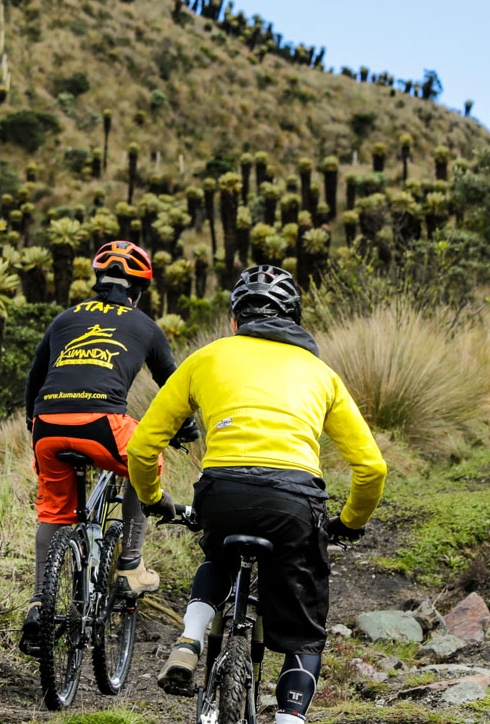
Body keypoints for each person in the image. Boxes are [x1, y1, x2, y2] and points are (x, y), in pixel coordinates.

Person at [128, 265, 388, 724]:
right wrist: (349, 522)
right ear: (294, 319)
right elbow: (371, 468)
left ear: (235, 320)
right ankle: (289, 719)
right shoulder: (321, 373)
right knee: (303, 636)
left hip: (222, 493)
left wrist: (153, 499)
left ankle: (189, 638)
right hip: (294, 502)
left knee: (218, 553)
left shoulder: (205, 358)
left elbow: (144, 445)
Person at [16, 240, 197, 656]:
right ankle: (131, 564)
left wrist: (34, 426)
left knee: (54, 513)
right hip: (102, 424)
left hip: (47, 425)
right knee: (143, 455)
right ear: (138, 289)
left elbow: (33, 379)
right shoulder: (145, 325)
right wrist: (185, 429)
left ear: (98, 282)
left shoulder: (64, 319)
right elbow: (172, 385)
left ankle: (40, 601)